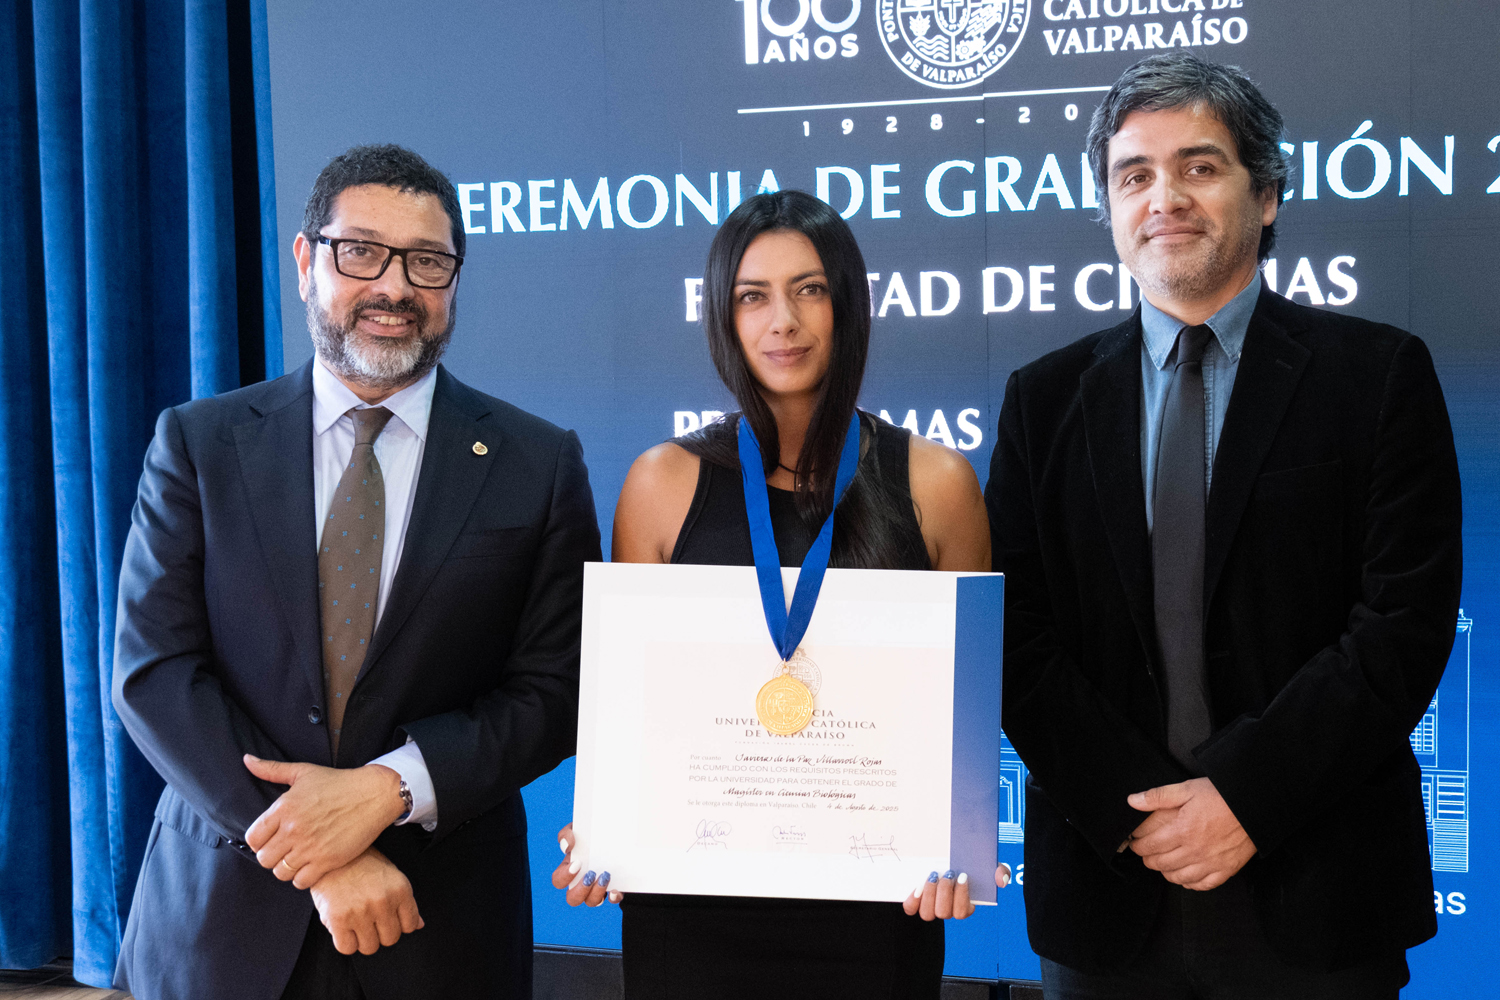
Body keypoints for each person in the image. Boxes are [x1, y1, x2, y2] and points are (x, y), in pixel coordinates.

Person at [986, 52, 1462, 999]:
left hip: (1320, 886)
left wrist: (1245, 797)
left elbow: (1400, 627)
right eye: (1134, 176)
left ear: (1268, 192)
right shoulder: (1042, 399)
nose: (1164, 198)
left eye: (1199, 167)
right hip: (1109, 889)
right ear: (1110, 208)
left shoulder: (1377, 375)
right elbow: (1012, 632)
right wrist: (1137, 812)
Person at [111, 144, 601, 1000]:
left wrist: (388, 789)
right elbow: (155, 672)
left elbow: (556, 689)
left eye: (428, 262)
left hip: (437, 922)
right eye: (362, 252)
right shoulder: (199, 444)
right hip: (223, 913)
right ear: (306, 262)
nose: (395, 287)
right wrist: (319, 853)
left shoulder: (538, 462)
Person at [550, 190, 1001, 998]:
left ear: (848, 304)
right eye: (752, 296)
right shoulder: (661, 483)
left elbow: (963, 718)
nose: (782, 322)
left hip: (876, 916)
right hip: (693, 918)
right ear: (723, 317)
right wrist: (608, 826)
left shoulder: (936, 483)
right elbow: (632, 711)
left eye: (810, 290)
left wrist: (957, 847)